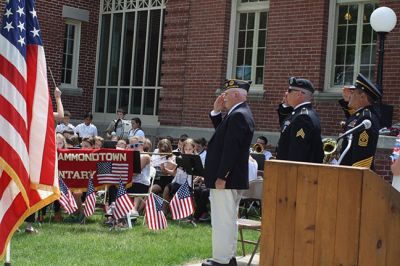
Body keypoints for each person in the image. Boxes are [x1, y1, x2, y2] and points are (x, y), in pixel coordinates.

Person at [202, 79, 254, 266]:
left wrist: (222, 176)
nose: (223, 97)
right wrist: (216, 113)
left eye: (227, 93)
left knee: (223, 220)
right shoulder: (237, 113)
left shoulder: (239, 115)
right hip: (231, 177)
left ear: (238, 95)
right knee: (228, 219)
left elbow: (231, 149)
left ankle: (222, 260)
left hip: (227, 178)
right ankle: (228, 257)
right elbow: (224, 135)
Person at [338, 73, 381, 169]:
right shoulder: (360, 115)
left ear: (362, 96)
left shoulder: (366, 119)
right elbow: (352, 119)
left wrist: (353, 177)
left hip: (353, 176)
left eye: (353, 93)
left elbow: (362, 157)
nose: (350, 96)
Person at [276, 77, 324, 163]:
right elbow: (285, 128)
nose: (286, 94)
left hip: (295, 172)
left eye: (289, 91)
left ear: (299, 94)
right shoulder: (300, 113)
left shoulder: (303, 117)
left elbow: (297, 154)